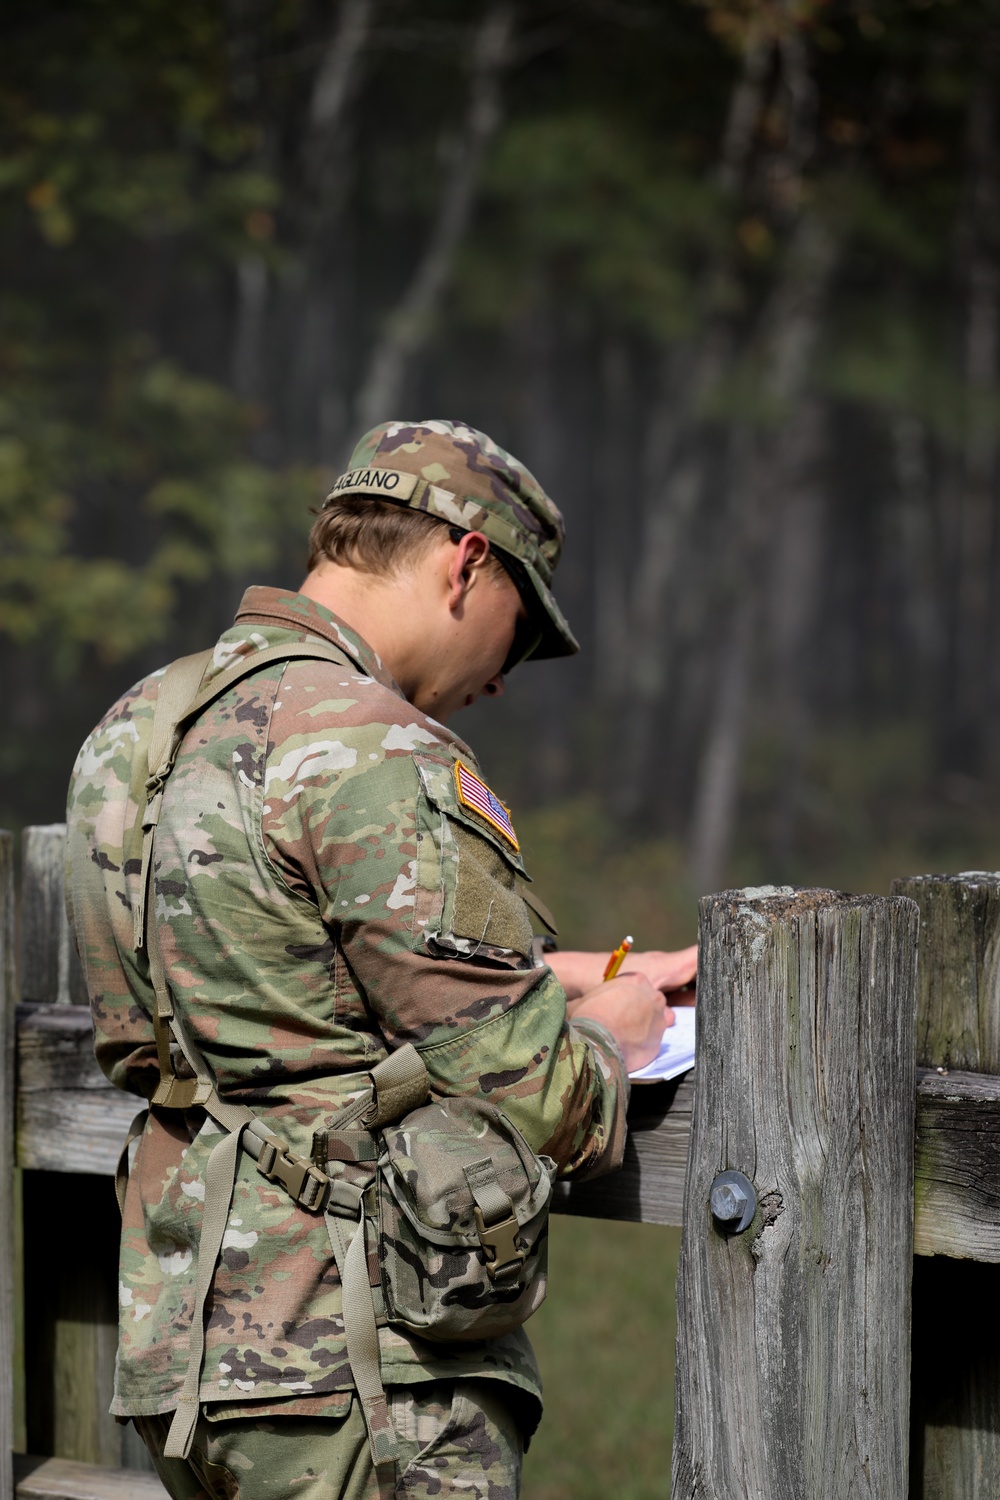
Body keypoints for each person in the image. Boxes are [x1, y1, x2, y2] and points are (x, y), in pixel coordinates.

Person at [66, 420, 697, 1500]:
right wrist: (617, 1026)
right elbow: (542, 1095)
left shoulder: (137, 729)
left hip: (191, 1355)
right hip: (366, 1366)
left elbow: (241, 1010)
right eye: (520, 629)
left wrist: (565, 970)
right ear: (468, 562)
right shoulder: (374, 745)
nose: (502, 680)